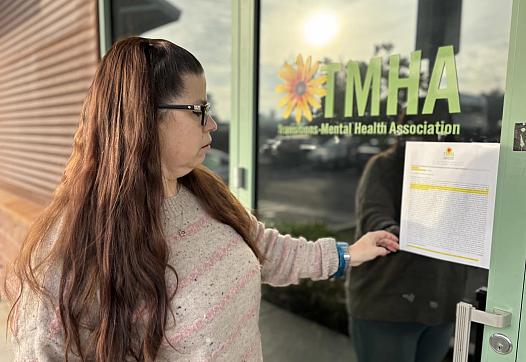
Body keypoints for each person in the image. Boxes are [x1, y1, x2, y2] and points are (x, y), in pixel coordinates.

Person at [3, 37, 398, 362]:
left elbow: (266, 251)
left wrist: (347, 255)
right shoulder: (72, 250)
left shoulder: (205, 191)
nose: (213, 123)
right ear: (143, 116)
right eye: (199, 109)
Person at [345, 114, 468, 362]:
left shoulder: (459, 169)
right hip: (388, 303)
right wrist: (399, 233)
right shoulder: (384, 166)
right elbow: (374, 218)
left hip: (441, 302)